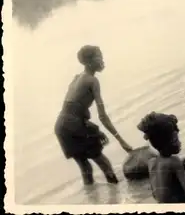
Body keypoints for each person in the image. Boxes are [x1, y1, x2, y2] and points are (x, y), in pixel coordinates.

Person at [54, 45, 133, 186]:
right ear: (89, 62)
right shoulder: (92, 81)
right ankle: (116, 197)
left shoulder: (76, 78)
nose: (102, 60)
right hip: (74, 124)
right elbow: (102, 116)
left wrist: (91, 127)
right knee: (104, 163)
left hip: (61, 126)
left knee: (85, 168)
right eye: (99, 57)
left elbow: (70, 108)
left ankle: (92, 199)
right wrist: (121, 141)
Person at [138, 112, 185, 203]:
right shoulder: (174, 161)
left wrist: (181, 168)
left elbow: (156, 194)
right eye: (176, 139)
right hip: (182, 205)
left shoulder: (152, 162)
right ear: (167, 144)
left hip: (168, 205)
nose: (179, 143)